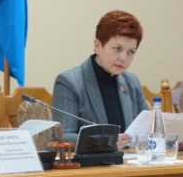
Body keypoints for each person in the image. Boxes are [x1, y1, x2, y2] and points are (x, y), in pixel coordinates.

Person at [52, 10, 149, 149]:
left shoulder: (131, 82)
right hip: (89, 162)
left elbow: (150, 128)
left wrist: (175, 138)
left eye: (130, 52)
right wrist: (105, 140)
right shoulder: (69, 82)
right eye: (117, 49)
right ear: (97, 46)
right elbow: (63, 137)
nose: (123, 58)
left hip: (128, 160)